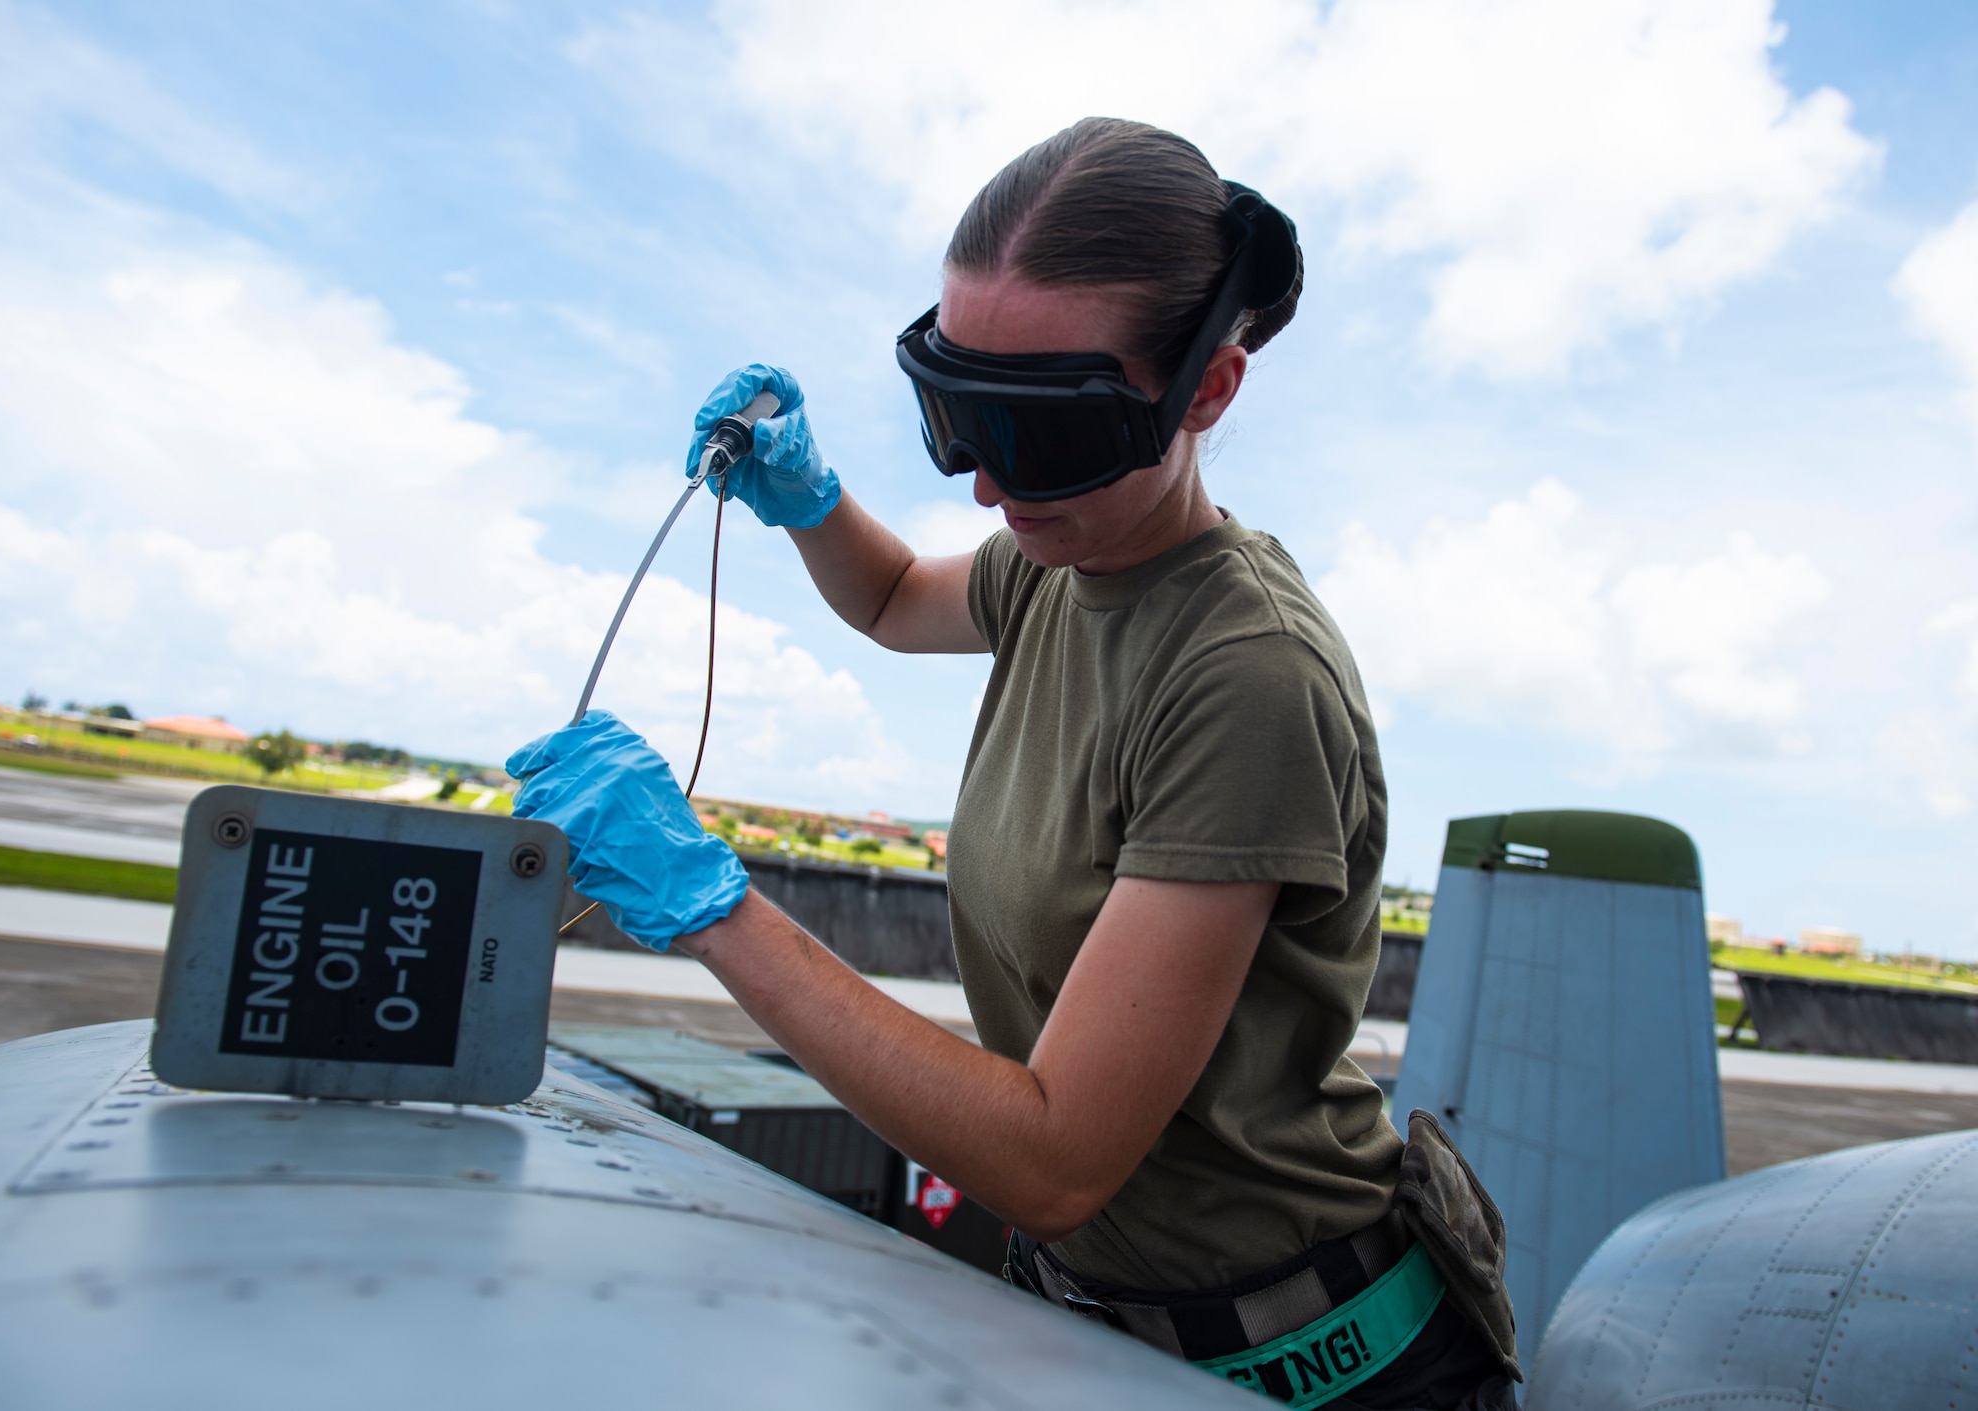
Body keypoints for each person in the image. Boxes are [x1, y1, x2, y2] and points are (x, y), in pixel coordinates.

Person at [510, 118, 1518, 1410]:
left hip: (1314, 1371)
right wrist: (811, 501)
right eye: (958, 413)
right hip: (1102, 1326)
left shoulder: (1247, 676)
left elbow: (1054, 1160)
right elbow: (889, 600)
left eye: (1041, 430)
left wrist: (717, 912)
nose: (988, 486)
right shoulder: (1068, 556)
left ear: (1205, 391)